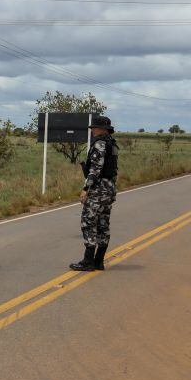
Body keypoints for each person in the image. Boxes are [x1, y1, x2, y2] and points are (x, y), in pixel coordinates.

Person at [70, 115, 119, 271]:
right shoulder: (113, 145)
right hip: (109, 188)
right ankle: (99, 261)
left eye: (94, 128)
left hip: (98, 189)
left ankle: (88, 261)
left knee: (89, 223)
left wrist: (86, 189)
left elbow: (95, 170)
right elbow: (113, 170)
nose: (92, 131)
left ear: (102, 129)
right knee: (103, 225)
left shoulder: (99, 145)